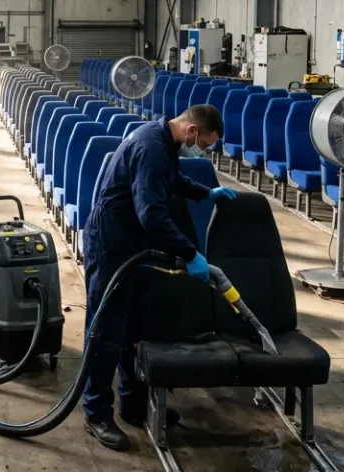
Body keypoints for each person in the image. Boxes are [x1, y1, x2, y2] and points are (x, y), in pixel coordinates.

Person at [80, 104, 237, 452]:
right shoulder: (151, 146)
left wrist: (204, 192)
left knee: (135, 328)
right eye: (206, 144)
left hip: (133, 244)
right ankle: (96, 413)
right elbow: (151, 214)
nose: (204, 150)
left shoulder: (164, 142)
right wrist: (191, 253)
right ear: (193, 130)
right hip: (112, 245)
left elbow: (171, 179)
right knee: (106, 330)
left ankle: (133, 405)